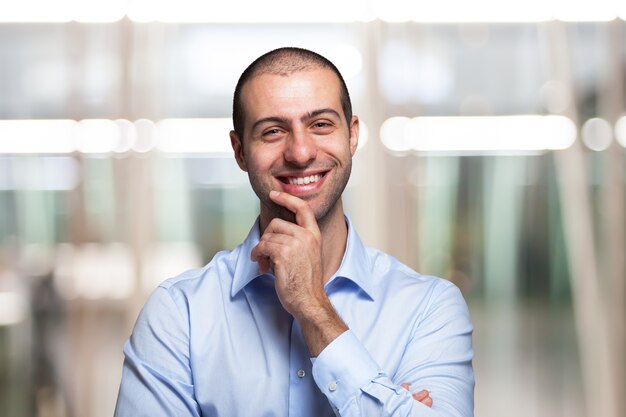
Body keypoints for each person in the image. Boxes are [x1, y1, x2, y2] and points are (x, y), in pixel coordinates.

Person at [114, 47, 474, 416]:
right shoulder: (179, 314)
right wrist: (385, 401)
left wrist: (313, 308)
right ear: (240, 152)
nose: (300, 153)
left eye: (320, 124)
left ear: (352, 136)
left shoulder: (429, 308)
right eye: (273, 131)